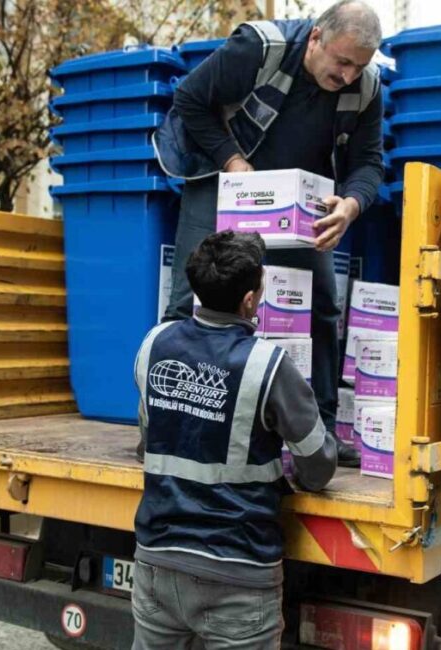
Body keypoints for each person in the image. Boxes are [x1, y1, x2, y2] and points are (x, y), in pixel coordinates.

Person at [154, 0, 385, 468]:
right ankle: (162, 427)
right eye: (341, 62)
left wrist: (352, 204)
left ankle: (319, 431)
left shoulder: (367, 87)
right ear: (316, 37)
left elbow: (369, 161)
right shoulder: (259, 48)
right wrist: (234, 163)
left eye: (358, 67)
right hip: (224, 181)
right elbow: (189, 101)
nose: (347, 76)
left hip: (297, 203)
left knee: (322, 305)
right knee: (191, 300)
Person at [131, 230, 338, 649]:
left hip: (156, 561)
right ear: (249, 300)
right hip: (238, 576)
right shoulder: (269, 364)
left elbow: (148, 442)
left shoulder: (153, 345)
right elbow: (318, 463)